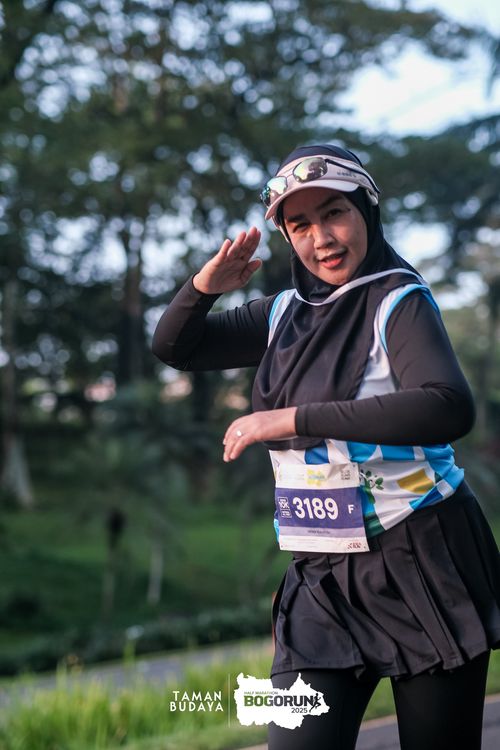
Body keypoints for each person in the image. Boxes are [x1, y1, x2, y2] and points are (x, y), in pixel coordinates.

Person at [152, 144, 500, 750]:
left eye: (334, 212)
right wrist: (205, 286)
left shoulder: (398, 299)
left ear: (367, 209)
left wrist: (291, 418)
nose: (322, 238)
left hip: (420, 557)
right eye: (300, 225)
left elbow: (448, 405)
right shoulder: (282, 313)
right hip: (321, 577)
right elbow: (175, 348)